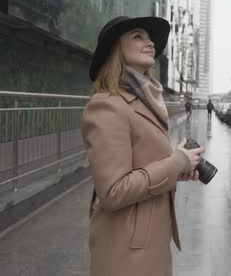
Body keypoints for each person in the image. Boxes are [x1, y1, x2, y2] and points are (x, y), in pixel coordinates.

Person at [81, 16, 205, 276]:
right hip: (126, 249)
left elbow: (143, 165)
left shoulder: (145, 100)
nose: (149, 42)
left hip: (151, 240)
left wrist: (180, 168)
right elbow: (113, 191)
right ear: (116, 49)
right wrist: (175, 163)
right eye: (138, 36)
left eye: (149, 38)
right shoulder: (107, 105)